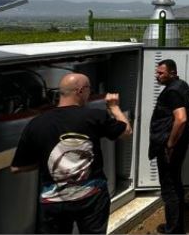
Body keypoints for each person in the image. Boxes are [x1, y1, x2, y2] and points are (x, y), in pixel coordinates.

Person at [11, 73, 132, 234]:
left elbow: (17, 168)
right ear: (81, 90)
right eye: (89, 90)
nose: (89, 94)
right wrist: (114, 107)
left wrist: (51, 162)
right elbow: (126, 132)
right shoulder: (94, 116)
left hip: (53, 200)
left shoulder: (36, 124)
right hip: (91, 197)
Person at [150, 59, 189, 234]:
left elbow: (181, 118)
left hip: (171, 147)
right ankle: (175, 225)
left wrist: (169, 144)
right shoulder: (182, 85)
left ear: (172, 73)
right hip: (180, 143)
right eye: (157, 72)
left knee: (170, 188)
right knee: (175, 183)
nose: (157, 76)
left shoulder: (173, 92)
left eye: (161, 73)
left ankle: (174, 229)